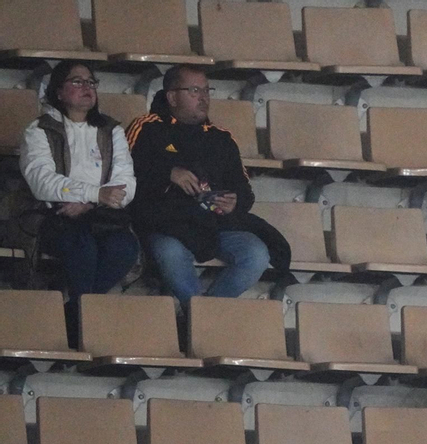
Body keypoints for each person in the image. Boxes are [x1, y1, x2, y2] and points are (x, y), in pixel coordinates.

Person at [126, 65, 284, 310]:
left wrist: (234, 202)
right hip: (165, 224)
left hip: (216, 224)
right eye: (194, 90)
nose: (203, 98)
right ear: (172, 97)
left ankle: (201, 314)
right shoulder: (146, 127)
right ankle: (200, 318)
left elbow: (244, 190)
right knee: (170, 253)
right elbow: (124, 174)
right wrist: (168, 173)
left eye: (206, 90)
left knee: (256, 254)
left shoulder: (221, 138)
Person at [19, 60, 139, 318]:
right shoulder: (40, 130)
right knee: (82, 247)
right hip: (55, 214)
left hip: (101, 214)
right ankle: (84, 318)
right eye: (77, 81)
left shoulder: (111, 130)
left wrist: (91, 202)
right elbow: (42, 181)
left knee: (125, 248)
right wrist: (94, 193)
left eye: (91, 82)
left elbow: (126, 182)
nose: (87, 87)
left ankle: (76, 312)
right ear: (59, 91)